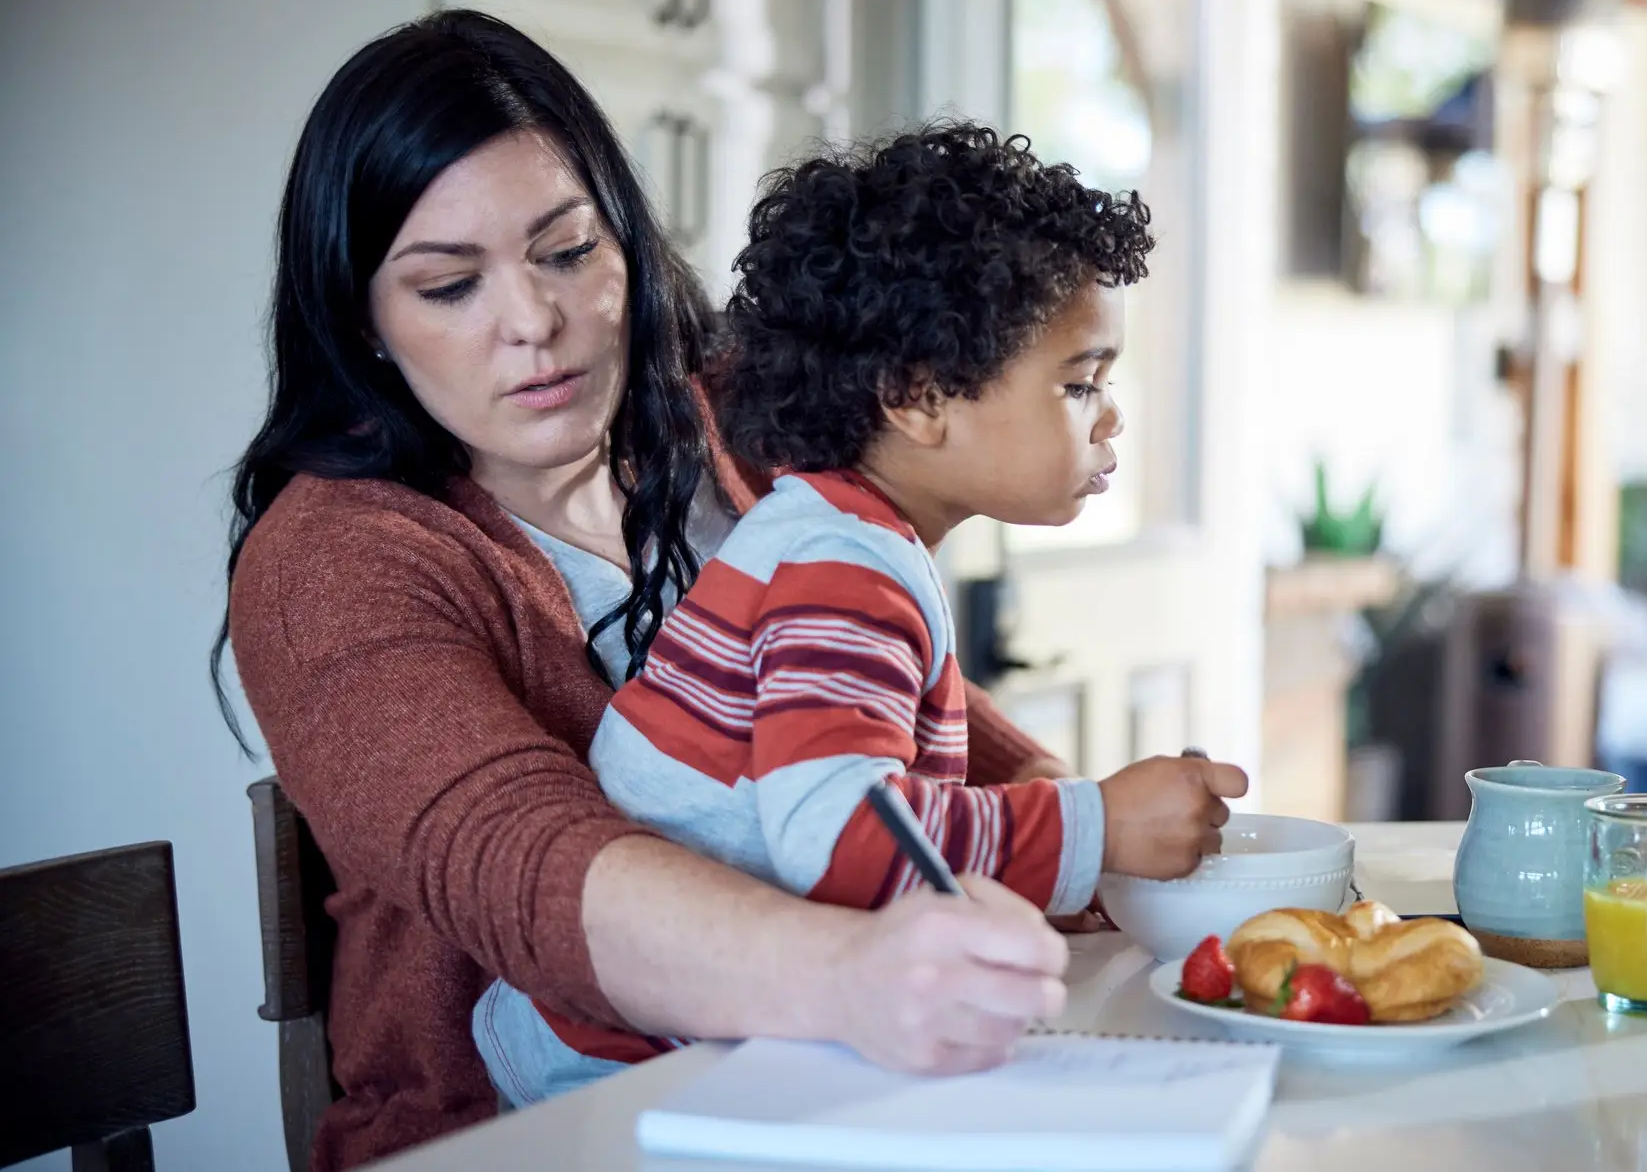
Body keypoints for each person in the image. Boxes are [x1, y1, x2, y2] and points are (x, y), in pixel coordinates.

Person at [219, 11, 1240, 1171]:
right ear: (365, 323)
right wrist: (850, 972)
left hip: (815, 1091)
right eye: (450, 285)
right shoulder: (339, 559)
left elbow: (906, 712)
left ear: (627, 241)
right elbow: (526, 861)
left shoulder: (731, 426)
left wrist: (1109, 842)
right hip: (522, 1132)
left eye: (567, 252)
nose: (533, 322)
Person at [471, 123, 1248, 1106]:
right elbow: (842, 840)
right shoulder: (841, 568)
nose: (1109, 417)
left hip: (692, 1038)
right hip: (615, 1071)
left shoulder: (836, 531)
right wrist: (1094, 828)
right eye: (1077, 382)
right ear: (917, 397)